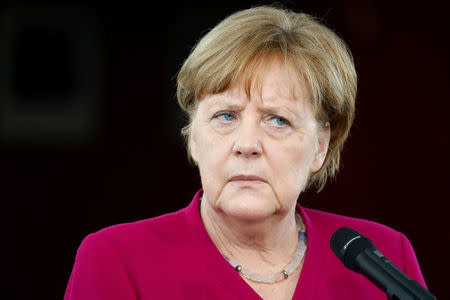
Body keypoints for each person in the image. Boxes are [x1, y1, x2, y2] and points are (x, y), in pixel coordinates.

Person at [64, 5, 429, 300]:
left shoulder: (382, 256)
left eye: (278, 120)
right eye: (226, 116)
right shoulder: (115, 260)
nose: (247, 144)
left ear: (320, 146)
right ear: (193, 137)